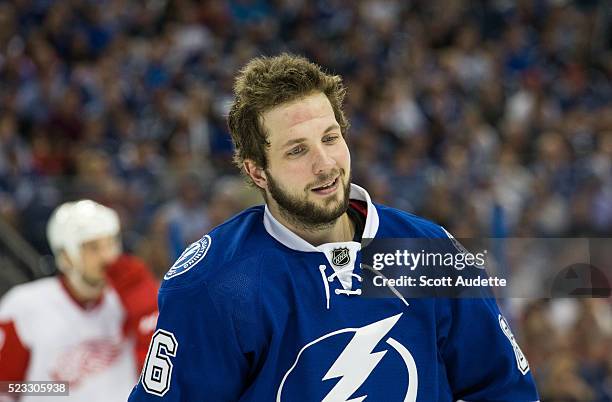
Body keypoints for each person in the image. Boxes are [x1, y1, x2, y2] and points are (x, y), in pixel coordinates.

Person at [129, 54, 539, 401]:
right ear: (257, 173)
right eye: (297, 150)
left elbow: (504, 388)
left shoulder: (426, 251)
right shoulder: (216, 283)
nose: (324, 164)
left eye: (330, 138)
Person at [0, 200, 159, 402]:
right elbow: (5, 386)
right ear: (65, 256)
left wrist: (148, 313)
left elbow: (159, 376)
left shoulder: (129, 297)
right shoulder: (25, 306)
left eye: (110, 243)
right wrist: (58, 390)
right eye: (92, 247)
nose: (107, 256)